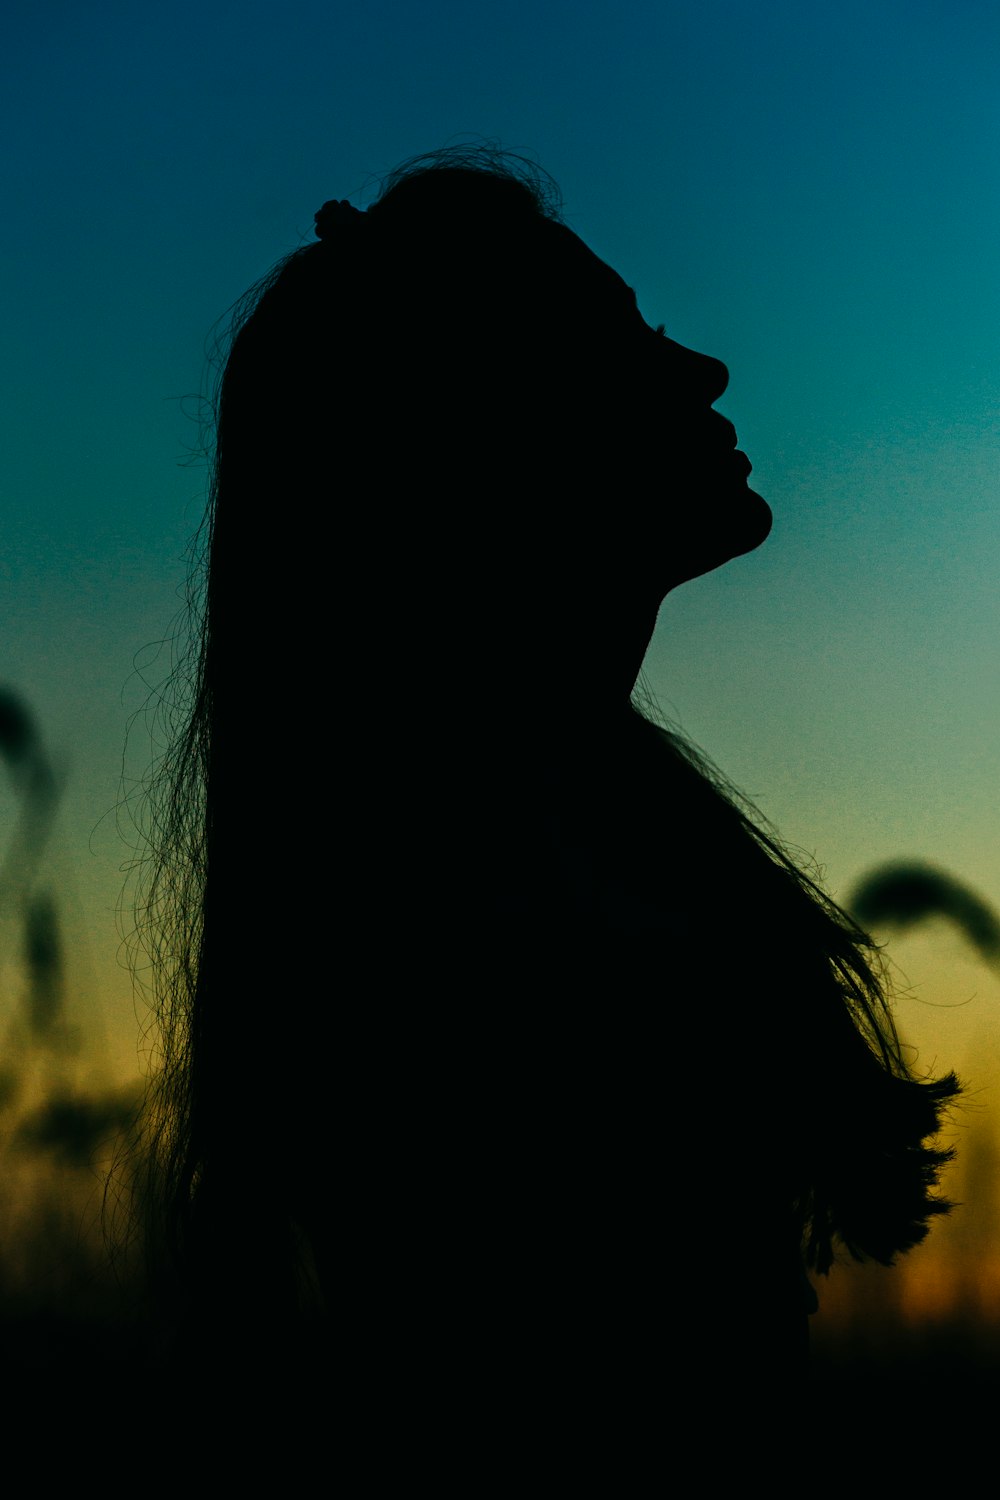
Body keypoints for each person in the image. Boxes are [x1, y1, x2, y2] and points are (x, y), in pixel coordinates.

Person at [138, 146, 959, 1393]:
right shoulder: (481, 891)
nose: (704, 370)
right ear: (490, 438)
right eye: (622, 343)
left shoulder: (527, 826)